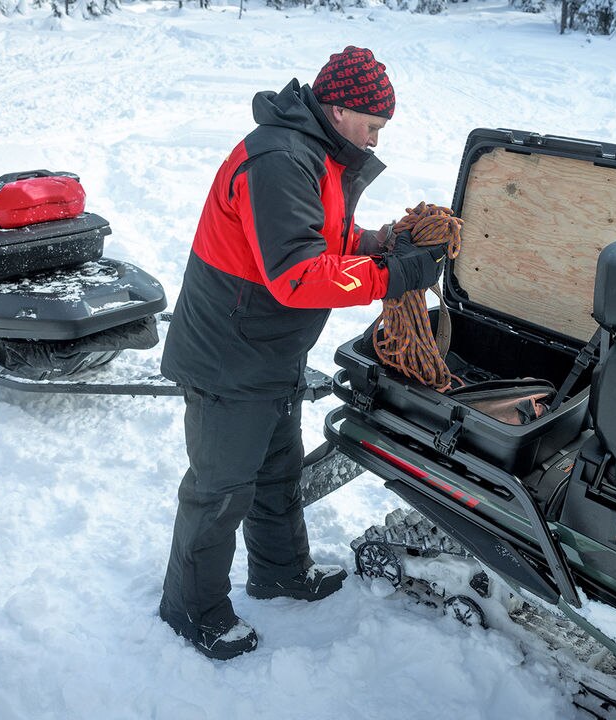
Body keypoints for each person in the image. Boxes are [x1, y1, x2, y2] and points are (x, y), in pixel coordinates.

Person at [157, 46, 446, 660]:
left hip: (267, 350)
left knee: (276, 470)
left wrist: (382, 243)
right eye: (371, 126)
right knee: (221, 488)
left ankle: (280, 572)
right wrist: (390, 278)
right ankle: (190, 608)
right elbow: (296, 274)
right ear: (339, 109)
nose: (374, 140)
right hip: (228, 355)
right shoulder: (282, 159)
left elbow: (326, 235)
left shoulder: (315, 152)